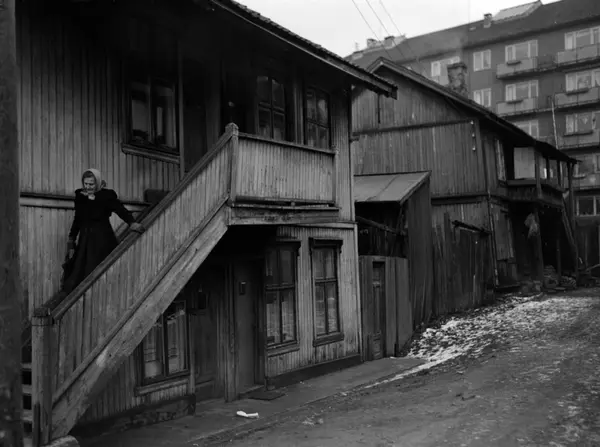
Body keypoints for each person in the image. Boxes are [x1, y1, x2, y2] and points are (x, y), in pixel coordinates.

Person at [60, 168, 144, 294]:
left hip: (102, 238)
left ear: (98, 182)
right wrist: (71, 238)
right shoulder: (80, 197)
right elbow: (77, 219)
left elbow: (120, 209)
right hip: (85, 239)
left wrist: (131, 222)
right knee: (80, 271)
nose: (88, 187)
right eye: (85, 184)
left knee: (99, 268)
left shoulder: (106, 196)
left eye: (91, 184)